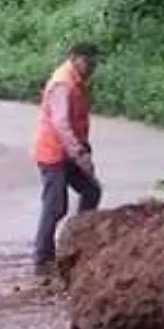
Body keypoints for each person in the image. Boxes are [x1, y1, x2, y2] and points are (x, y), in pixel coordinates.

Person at [31, 43, 103, 275]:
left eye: (94, 63)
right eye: (88, 62)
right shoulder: (63, 83)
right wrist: (80, 153)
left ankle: (79, 240)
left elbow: (76, 120)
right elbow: (61, 124)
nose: (91, 68)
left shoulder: (76, 81)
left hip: (68, 151)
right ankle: (42, 258)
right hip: (53, 153)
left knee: (91, 191)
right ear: (74, 58)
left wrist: (82, 147)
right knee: (55, 206)